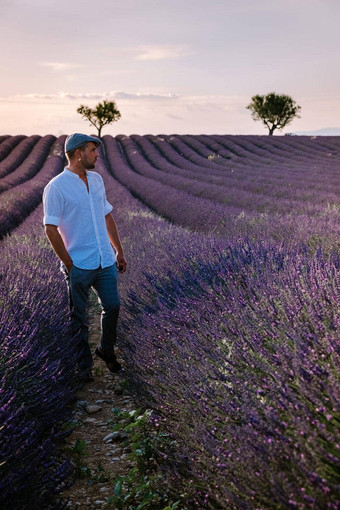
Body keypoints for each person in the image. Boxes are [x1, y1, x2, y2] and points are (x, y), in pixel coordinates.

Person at [43, 133, 127, 382]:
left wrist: (118, 250)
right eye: (93, 150)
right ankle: (83, 367)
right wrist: (70, 264)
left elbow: (107, 216)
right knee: (78, 319)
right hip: (79, 263)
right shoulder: (56, 187)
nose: (97, 154)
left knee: (113, 306)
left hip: (104, 259)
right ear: (79, 153)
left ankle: (105, 349)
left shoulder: (97, 180)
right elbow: (50, 228)